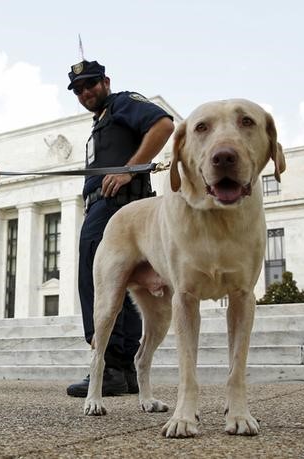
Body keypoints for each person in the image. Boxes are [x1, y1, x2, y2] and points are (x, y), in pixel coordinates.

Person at [65, 60, 175, 397]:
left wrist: (130, 169)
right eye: (79, 89)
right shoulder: (101, 122)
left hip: (116, 207)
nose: (86, 92)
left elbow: (163, 124)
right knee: (125, 289)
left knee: (98, 282)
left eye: (91, 84)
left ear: (106, 82)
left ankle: (110, 365)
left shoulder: (122, 102)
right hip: (110, 206)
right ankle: (123, 369)